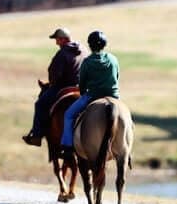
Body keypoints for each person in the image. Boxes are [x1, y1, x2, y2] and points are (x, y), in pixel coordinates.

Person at [60, 30, 119, 158]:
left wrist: (82, 92)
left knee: (68, 115)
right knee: (128, 118)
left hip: (93, 96)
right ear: (104, 44)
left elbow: (82, 83)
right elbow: (117, 76)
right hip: (114, 97)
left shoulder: (87, 62)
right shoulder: (113, 59)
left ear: (90, 45)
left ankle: (68, 147)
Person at [22, 27, 86, 146]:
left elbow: (55, 74)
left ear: (63, 39)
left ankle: (36, 136)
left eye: (57, 39)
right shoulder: (83, 50)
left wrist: (52, 83)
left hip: (64, 88)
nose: (56, 42)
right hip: (82, 88)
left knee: (40, 104)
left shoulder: (62, 53)